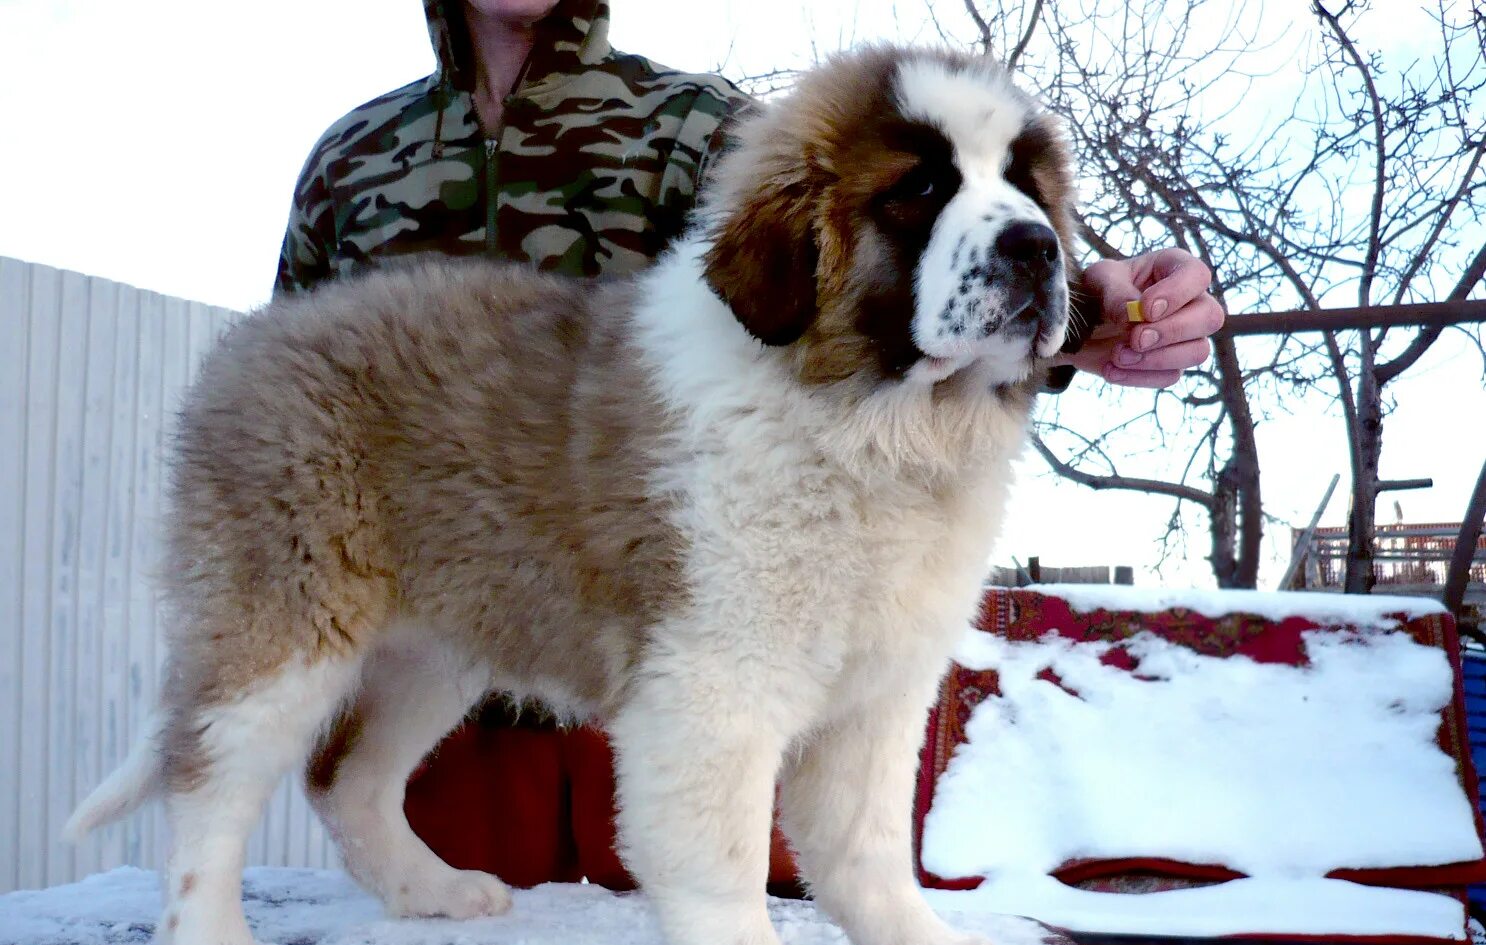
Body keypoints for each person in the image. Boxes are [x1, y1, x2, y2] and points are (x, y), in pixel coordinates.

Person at [278, 0, 1226, 889]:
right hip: (453, 726)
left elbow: (900, 270)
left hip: (696, 683)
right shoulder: (353, 159)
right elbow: (308, 421)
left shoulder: (696, 127)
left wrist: (1096, 306)